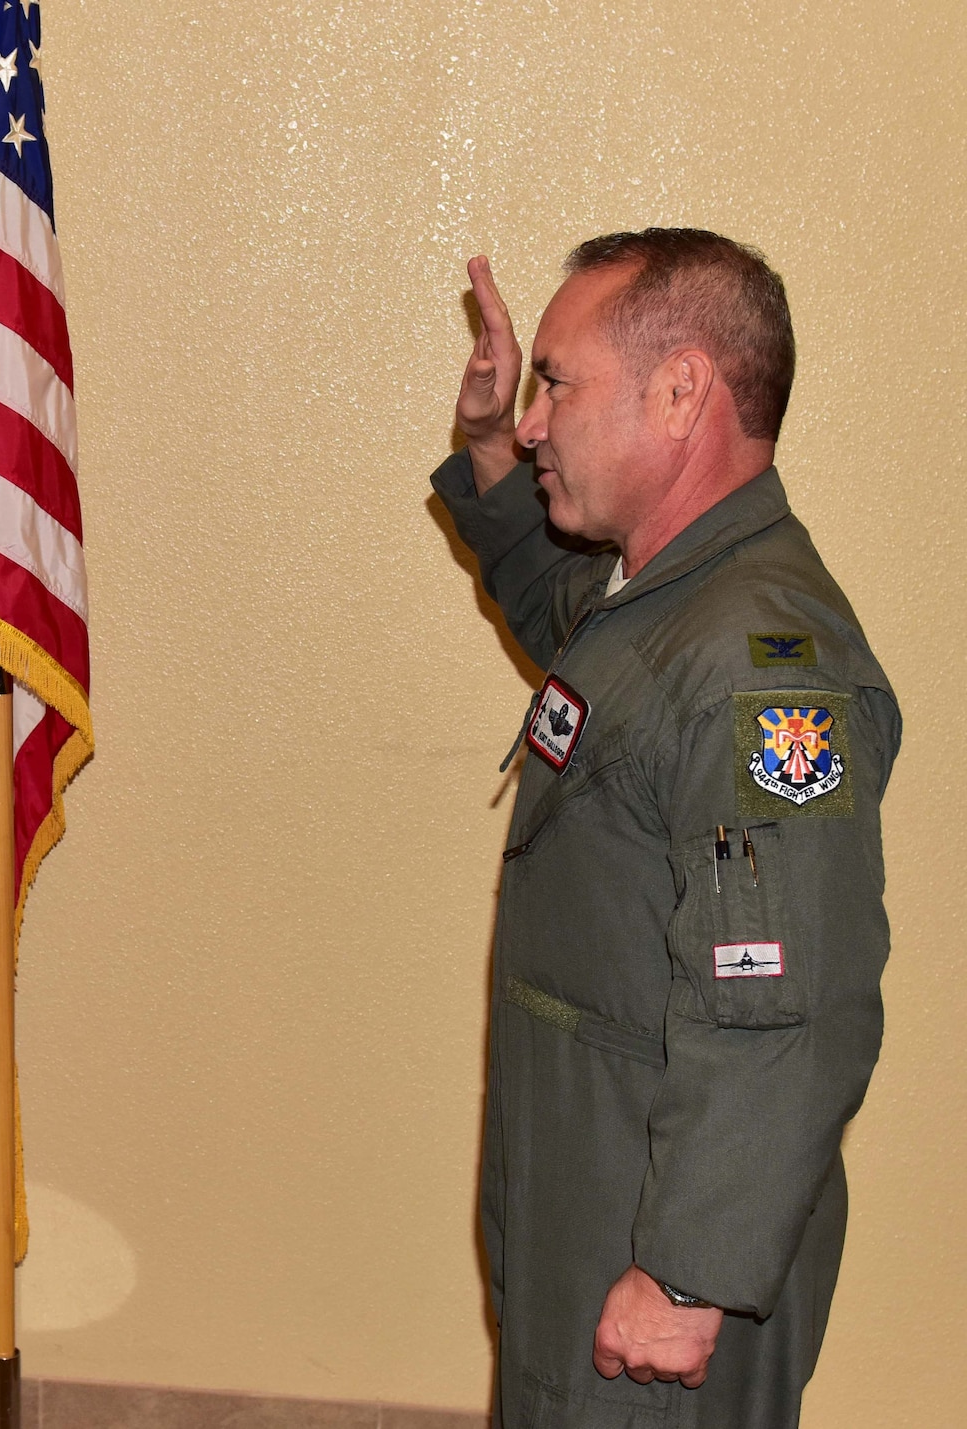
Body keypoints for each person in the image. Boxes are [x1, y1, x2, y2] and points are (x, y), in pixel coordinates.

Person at [432, 230, 899, 1426]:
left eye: (555, 384)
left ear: (682, 389)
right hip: (600, 1185)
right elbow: (571, 629)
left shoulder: (755, 666)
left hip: (662, 1236)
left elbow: (787, 994)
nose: (534, 422)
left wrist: (687, 1267)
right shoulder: (665, 595)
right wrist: (485, 445)